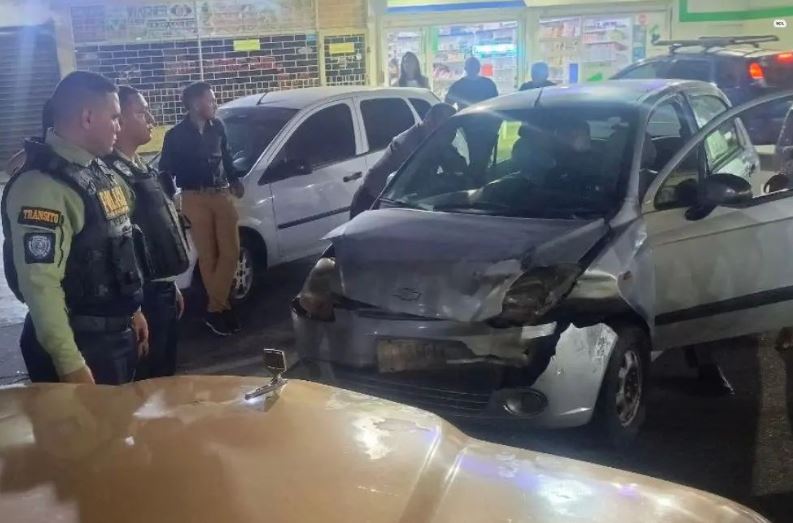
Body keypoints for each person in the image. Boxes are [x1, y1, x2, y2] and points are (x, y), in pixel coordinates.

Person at [1, 71, 149, 385]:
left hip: (111, 338)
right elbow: (40, 287)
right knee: (84, 434)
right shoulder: (42, 186)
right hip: (81, 346)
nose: (118, 126)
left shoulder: (95, 170)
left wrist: (131, 311)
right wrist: (70, 365)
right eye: (114, 117)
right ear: (87, 117)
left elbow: (116, 245)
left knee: (116, 432)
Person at [104, 86, 190, 378]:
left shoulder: (140, 167)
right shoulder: (111, 175)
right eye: (141, 112)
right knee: (148, 384)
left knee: (166, 376)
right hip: (141, 298)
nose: (151, 119)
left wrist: (171, 282)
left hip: (159, 289)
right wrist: (134, 308)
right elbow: (117, 247)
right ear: (120, 121)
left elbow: (154, 233)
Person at [159, 82, 244, 336]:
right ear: (196, 104)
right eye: (211, 100)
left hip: (220, 193)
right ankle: (221, 309)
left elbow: (226, 157)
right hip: (193, 197)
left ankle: (213, 309)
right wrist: (169, 200)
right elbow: (165, 171)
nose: (215, 104)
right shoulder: (175, 136)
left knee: (231, 252)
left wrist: (236, 178)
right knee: (208, 256)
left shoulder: (217, 127)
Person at [350, 103, 456, 218]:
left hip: (393, 204)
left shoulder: (434, 140)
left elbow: (455, 164)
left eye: (453, 130)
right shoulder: (408, 143)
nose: (451, 134)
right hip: (372, 201)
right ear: (429, 122)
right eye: (446, 129)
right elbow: (419, 182)